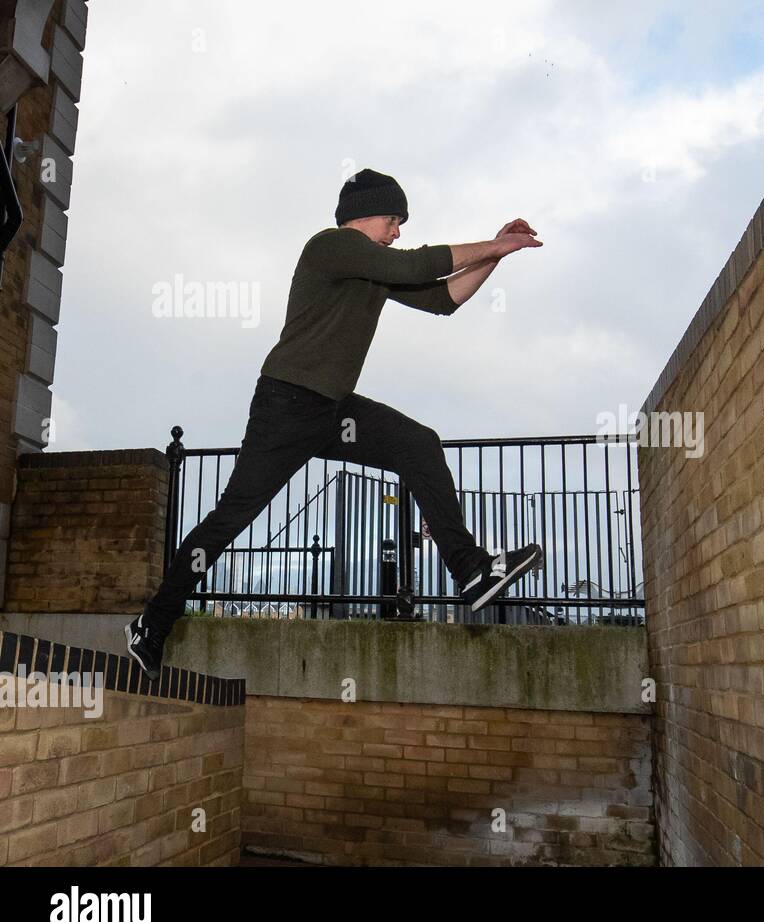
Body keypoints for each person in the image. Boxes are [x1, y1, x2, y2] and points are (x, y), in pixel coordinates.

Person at [125, 168, 543, 679]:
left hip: (333, 410)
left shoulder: (375, 270)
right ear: (364, 216)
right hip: (285, 407)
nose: (397, 231)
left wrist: (497, 254)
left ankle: (471, 571)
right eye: (394, 220)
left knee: (418, 444)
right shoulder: (329, 247)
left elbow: (441, 299)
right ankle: (152, 623)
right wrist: (495, 242)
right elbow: (417, 265)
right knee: (229, 520)